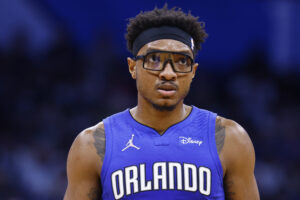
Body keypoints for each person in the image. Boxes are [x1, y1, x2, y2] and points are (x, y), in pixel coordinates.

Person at [64, 5, 260, 200]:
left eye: (182, 61)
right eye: (154, 59)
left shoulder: (231, 139)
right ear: (133, 67)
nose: (168, 73)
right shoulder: (92, 144)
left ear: (193, 71)